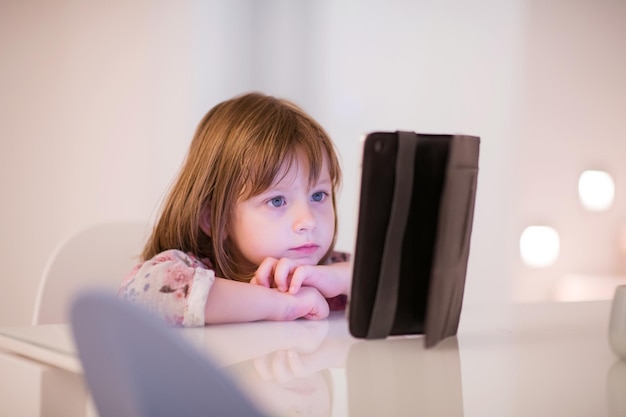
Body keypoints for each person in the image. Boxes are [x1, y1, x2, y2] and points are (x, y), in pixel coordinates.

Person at [119, 92, 350, 326]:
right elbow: (139, 295)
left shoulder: (330, 271)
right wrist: (282, 304)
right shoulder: (196, 270)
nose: (308, 221)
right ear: (213, 220)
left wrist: (343, 278)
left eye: (318, 195)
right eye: (277, 201)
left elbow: (386, 279)